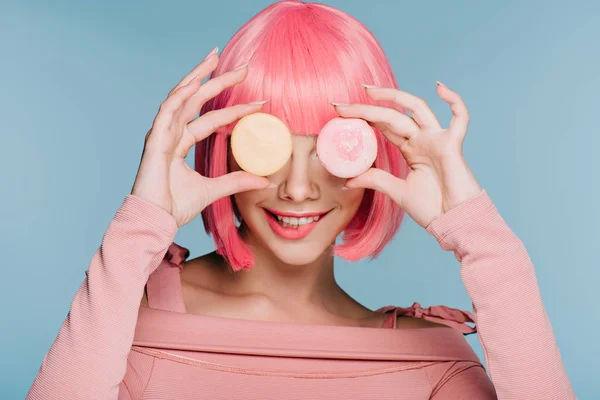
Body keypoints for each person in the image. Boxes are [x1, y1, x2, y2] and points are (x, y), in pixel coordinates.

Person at [26, 1, 576, 399]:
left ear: (375, 157)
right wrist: (140, 225)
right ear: (225, 145)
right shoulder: (125, 316)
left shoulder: (429, 363)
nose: (297, 186)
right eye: (266, 144)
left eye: (333, 146)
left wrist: (479, 236)